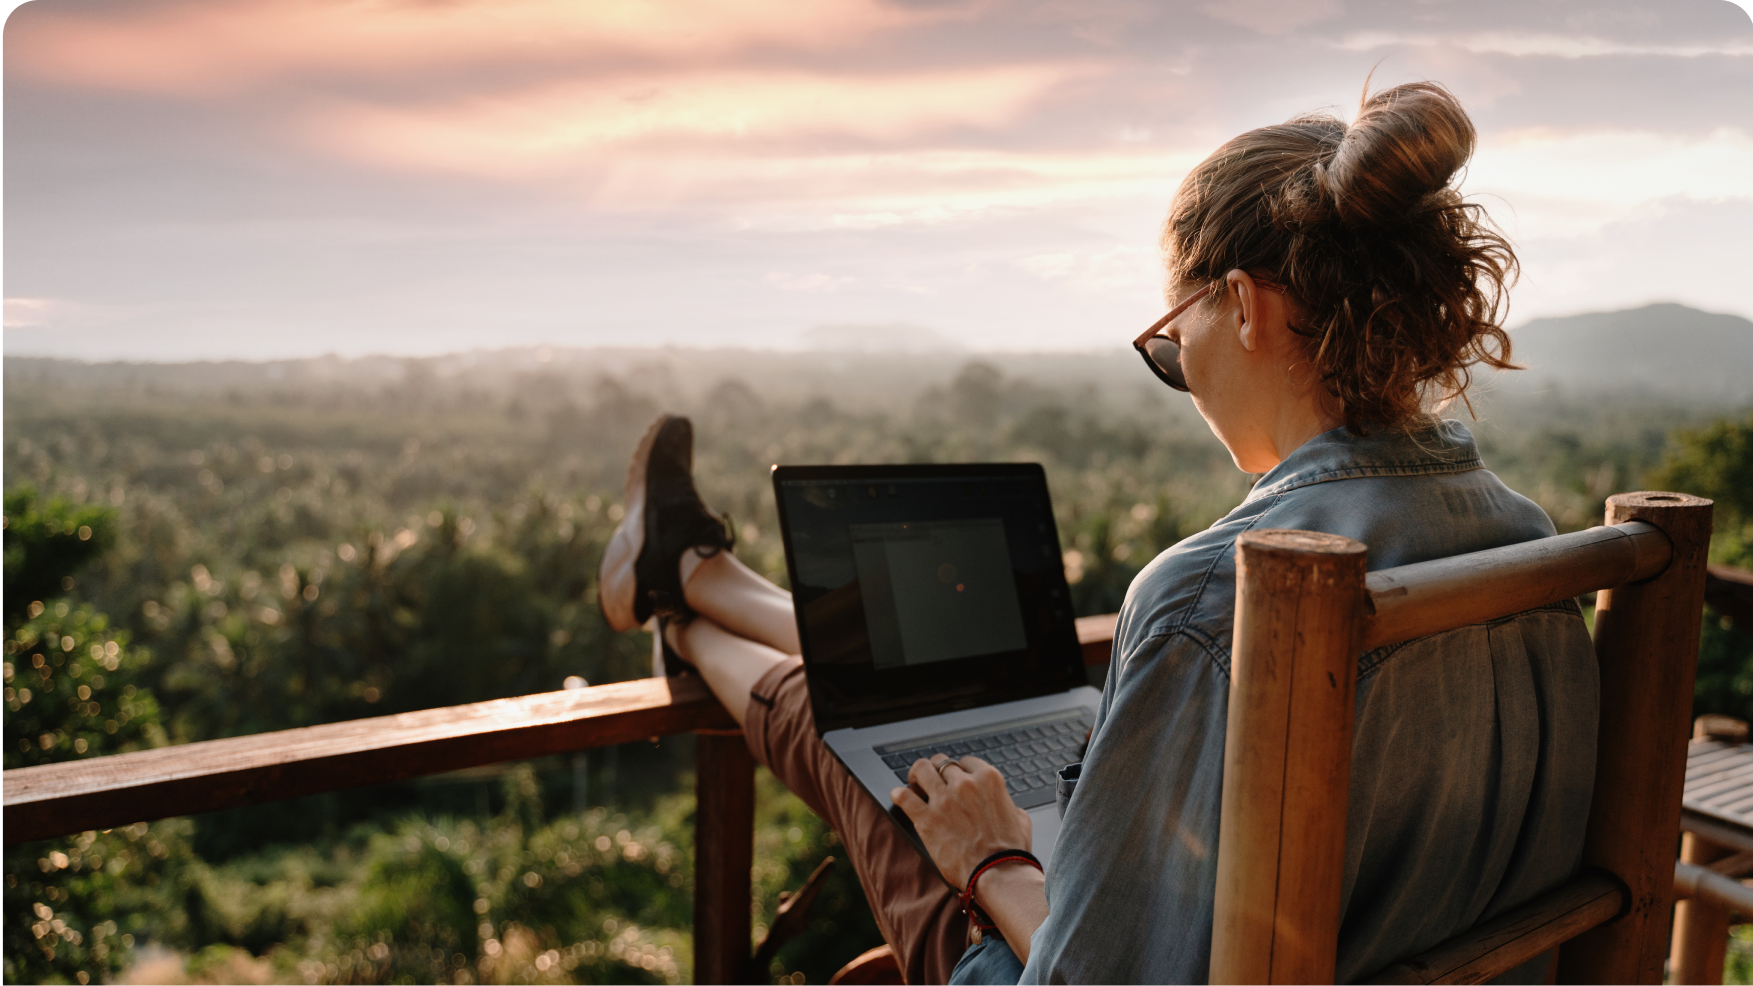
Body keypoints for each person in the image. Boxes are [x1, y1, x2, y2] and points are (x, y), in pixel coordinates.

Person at [596, 81, 1596, 985]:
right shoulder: (1529, 542)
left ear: (1241, 306)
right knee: (890, 715)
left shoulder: (1219, 594)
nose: (1180, 370)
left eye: (1172, 339)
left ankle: (682, 601)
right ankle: (694, 582)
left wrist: (993, 857)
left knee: (864, 734)